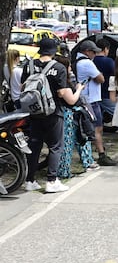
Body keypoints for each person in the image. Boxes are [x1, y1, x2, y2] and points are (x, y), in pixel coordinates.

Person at [22, 38, 84, 193]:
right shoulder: (58, 68)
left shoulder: (29, 66)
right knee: (56, 146)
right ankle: (52, 180)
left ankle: (30, 180)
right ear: (53, 51)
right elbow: (64, 94)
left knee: (34, 146)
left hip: (34, 111)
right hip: (53, 112)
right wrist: (78, 90)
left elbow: (22, 86)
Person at [75, 39, 116, 166]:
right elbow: (101, 79)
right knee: (96, 129)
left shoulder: (78, 62)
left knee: (88, 129)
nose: (95, 54)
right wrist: (100, 75)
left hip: (85, 98)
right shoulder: (87, 63)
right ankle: (101, 154)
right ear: (87, 52)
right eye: (93, 52)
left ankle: (92, 154)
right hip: (90, 100)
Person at [53, 54, 94, 178]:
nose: (71, 67)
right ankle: (64, 171)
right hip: (68, 114)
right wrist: (79, 89)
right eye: (69, 65)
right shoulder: (63, 82)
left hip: (62, 113)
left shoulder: (55, 79)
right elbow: (71, 100)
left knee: (78, 140)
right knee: (68, 143)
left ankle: (86, 162)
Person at [93, 39, 116, 129]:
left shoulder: (92, 61)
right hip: (107, 93)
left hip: (95, 94)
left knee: (97, 118)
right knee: (117, 113)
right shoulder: (109, 61)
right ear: (105, 49)